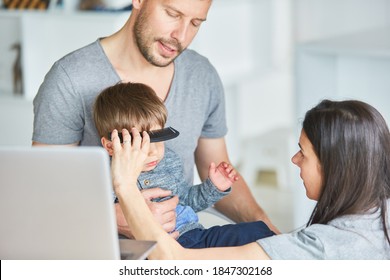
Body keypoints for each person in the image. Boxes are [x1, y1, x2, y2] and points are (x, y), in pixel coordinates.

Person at [32, 0, 275, 238]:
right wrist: (114, 216)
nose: (181, 35)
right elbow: (43, 192)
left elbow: (218, 167)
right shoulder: (70, 79)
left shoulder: (202, 75)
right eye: (173, 13)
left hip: (182, 240)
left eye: (195, 23)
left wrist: (272, 234)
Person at [110, 99, 390, 259]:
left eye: (303, 153)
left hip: (185, 242)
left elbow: (174, 261)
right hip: (161, 245)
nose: (294, 159)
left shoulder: (320, 247)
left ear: (336, 166)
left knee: (257, 230)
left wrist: (125, 184)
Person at [93, 81, 275, 248]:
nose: (153, 151)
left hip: (193, 236)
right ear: (110, 145)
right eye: (141, 143)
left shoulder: (169, 161)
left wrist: (213, 187)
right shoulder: (104, 175)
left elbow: (186, 201)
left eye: (159, 139)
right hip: (146, 250)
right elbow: (95, 219)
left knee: (258, 232)